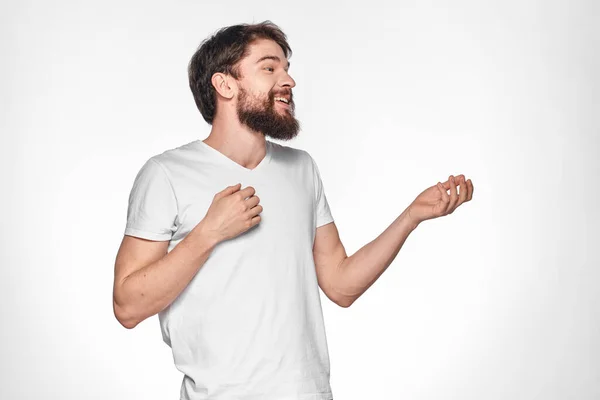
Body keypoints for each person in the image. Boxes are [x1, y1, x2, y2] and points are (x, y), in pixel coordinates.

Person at [112, 20, 474, 400]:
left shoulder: (302, 168)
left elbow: (341, 285)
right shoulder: (168, 173)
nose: (288, 80)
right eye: (269, 67)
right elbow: (127, 306)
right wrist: (209, 233)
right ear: (225, 85)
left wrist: (412, 215)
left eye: (286, 67)